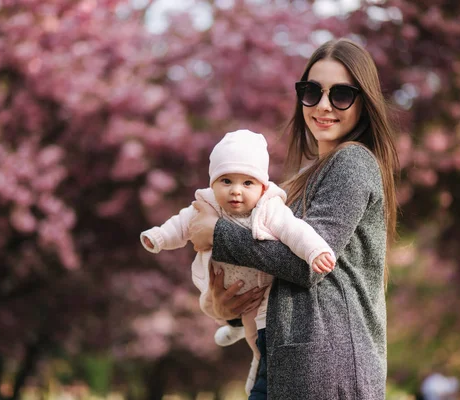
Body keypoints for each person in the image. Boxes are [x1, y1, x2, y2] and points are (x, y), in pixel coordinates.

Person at [189, 38, 399, 399]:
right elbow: (272, 273)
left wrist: (217, 233)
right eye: (312, 91)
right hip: (287, 360)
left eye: (341, 95)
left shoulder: (353, 162)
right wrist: (228, 310)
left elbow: (309, 265)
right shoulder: (301, 179)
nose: (323, 105)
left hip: (328, 366)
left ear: (364, 103)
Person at [140, 129, 336, 394]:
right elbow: (181, 225)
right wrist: (159, 237)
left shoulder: (269, 208)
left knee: (258, 341)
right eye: (226, 181)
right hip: (224, 288)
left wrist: (316, 251)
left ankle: (253, 366)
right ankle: (234, 330)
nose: (236, 191)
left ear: (262, 187)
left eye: (247, 183)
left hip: (261, 295)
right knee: (238, 318)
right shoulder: (206, 205)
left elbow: (295, 232)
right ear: (212, 184)